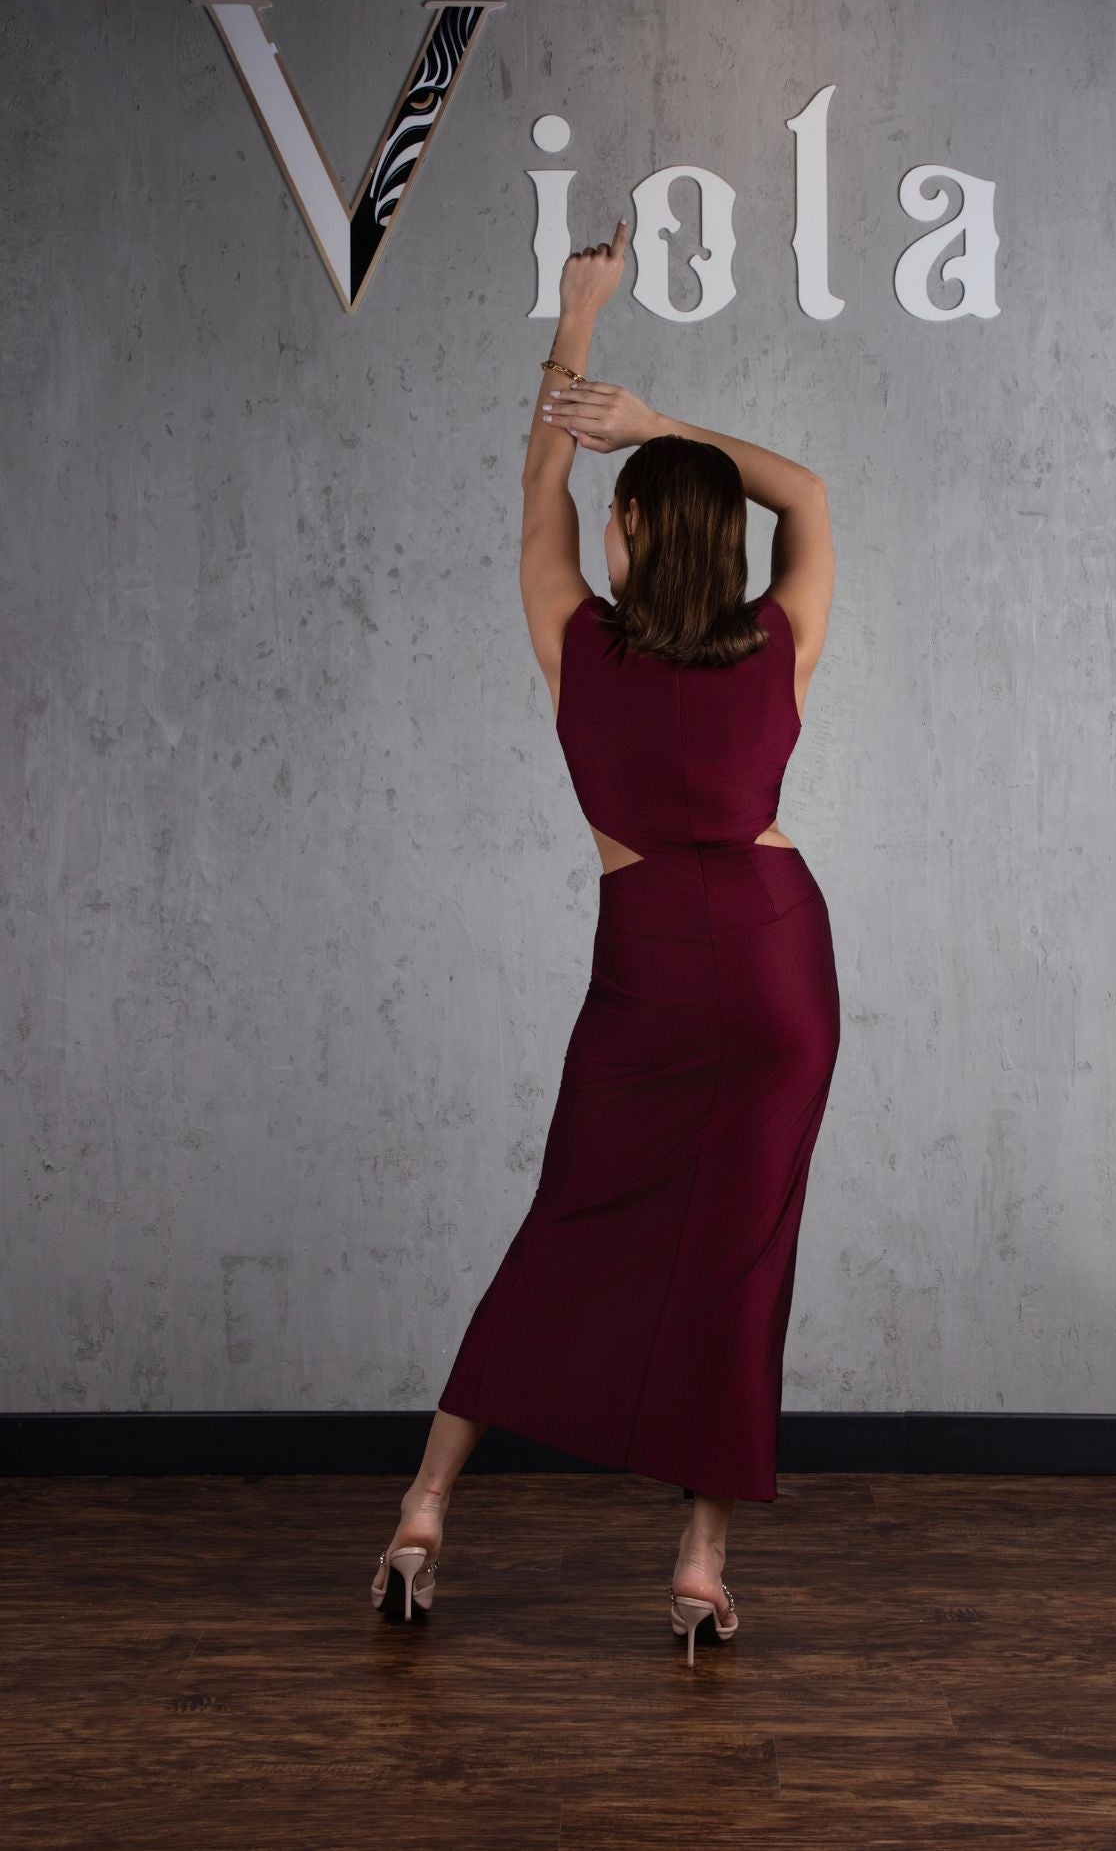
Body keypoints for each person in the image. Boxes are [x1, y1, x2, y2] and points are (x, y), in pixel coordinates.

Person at [371, 220, 840, 1657]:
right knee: (739, 1264)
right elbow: (809, 492)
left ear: (627, 531)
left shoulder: (576, 642)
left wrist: (579, 331)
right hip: (777, 963)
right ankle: (698, 1564)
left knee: (568, 1224)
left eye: (623, 513)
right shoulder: (778, 646)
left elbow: (537, 488)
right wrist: (663, 425)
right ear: (724, 542)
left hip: (647, 965)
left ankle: (423, 1510)